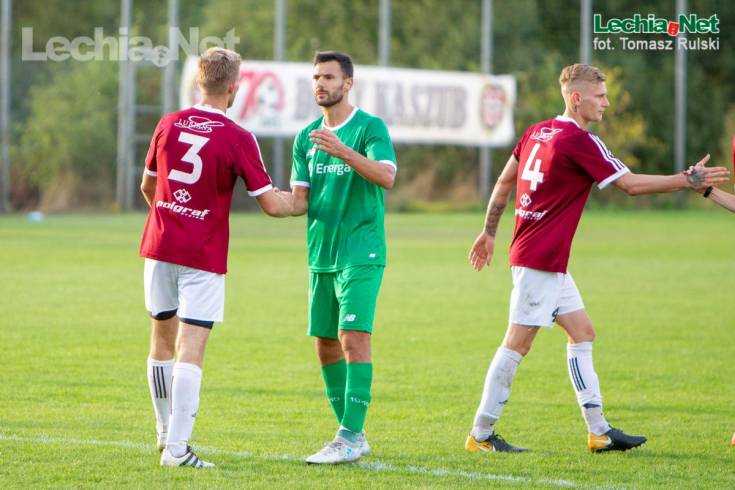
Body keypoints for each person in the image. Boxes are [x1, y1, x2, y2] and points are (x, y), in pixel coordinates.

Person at [465, 63, 730, 454]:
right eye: (600, 96)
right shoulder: (580, 140)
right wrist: (686, 180)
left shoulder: (537, 131)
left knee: (582, 332)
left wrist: (489, 231)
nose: (606, 103)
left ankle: (599, 431)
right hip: (540, 261)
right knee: (516, 344)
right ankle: (481, 434)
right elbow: (630, 185)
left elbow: (505, 181)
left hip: (541, 258)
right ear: (576, 99)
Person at [140, 47, 293, 468]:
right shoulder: (238, 137)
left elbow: (148, 187)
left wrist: (172, 217)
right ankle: (177, 449)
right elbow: (272, 205)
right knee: (191, 345)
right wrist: (305, 201)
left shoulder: (168, 123)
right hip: (202, 253)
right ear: (233, 87)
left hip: (159, 245)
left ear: (198, 82)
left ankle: (163, 432)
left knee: (161, 340)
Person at [285, 51, 397, 464]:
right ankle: (355, 434)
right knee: (326, 345)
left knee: (353, 337)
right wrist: (262, 194)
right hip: (321, 254)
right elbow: (299, 201)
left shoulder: (369, 127)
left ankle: (347, 436)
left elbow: (387, 176)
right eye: (316, 77)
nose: (321, 84)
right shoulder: (306, 137)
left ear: (348, 83)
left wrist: (344, 151)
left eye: (329, 77)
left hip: (362, 249)